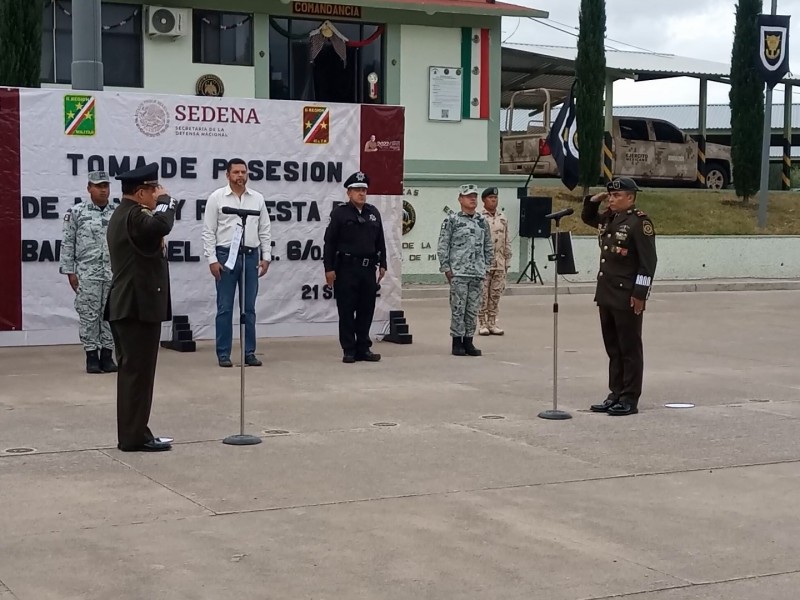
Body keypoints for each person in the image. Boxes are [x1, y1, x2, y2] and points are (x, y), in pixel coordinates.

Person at [105, 163, 176, 452]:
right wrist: (167, 201)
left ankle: (137, 433)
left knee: (137, 374)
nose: (156, 195)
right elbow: (161, 225)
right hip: (135, 307)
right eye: (153, 191)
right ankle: (133, 437)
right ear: (140, 192)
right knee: (137, 374)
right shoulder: (134, 215)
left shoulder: (126, 215)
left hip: (132, 306)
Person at [581, 177, 657, 416]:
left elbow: (648, 263)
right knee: (613, 347)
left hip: (627, 295)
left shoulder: (639, 223)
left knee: (629, 348)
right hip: (607, 292)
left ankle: (629, 397)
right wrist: (594, 200)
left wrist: (640, 293)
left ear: (631, 198)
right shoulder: (610, 218)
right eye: (610, 195)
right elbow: (588, 217)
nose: (612, 199)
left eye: (617, 196)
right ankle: (615, 393)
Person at [202, 158, 272, 368]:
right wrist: (212, 259)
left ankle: (249, 352)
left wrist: (266, 256)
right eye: (236, 172)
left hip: (250, 255)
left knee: (248, 307)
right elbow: (208, 231)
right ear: (228, 175)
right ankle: (223, 353)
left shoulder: (257, 198)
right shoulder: (217, 198)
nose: (240, 176)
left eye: (243, 172)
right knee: (224, 307)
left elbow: (265, 228)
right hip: (225, 256)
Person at [323, 171, 387, 363]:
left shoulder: (373, 213)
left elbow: (380, 240)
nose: (361, 193)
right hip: (346, 269)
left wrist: (383, 263)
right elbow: (329, 243)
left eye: (364, 190)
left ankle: (363, 348)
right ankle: (349, 349)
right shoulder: (340, 213)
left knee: (366, 309)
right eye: (357, 190)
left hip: (367, 269)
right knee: (347, 310)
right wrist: (329, 269)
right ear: (348, 193)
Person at [59, 171, 117, 374]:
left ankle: (108, 356)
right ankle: (92, 356)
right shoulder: (77, 212)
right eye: (98, 186)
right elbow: (68, 243)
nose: (103, 190)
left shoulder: (117, 212)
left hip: (112, 274)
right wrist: (70, 272)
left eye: (106, 186)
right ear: (89, 188)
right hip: (87, 273)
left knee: (110, 315)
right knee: (89, 315)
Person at [437, 184, 493, 357]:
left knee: (472, 309)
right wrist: (446, 268)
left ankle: (469, 341)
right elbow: (443, 245)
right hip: (459, 272)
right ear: (460, 199)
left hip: (476, 273)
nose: (473, 199)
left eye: (475, 196)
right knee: (458, 308)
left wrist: (487, 266)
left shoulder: (482, 221)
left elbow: (488, 245)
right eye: (469, 196)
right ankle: (457, 342)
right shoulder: (452, 220)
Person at [477, 187, 512, 336]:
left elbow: (506, 240)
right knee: (482, 294)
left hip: (499, 262)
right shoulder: (478, 218)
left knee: (495, 294)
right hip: (484, 263)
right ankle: (482, 323)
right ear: (484, 200)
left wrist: (507, 260)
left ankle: (492, 322)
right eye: (490, 198)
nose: (493, 200)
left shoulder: (502, 217)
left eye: (495, 198)